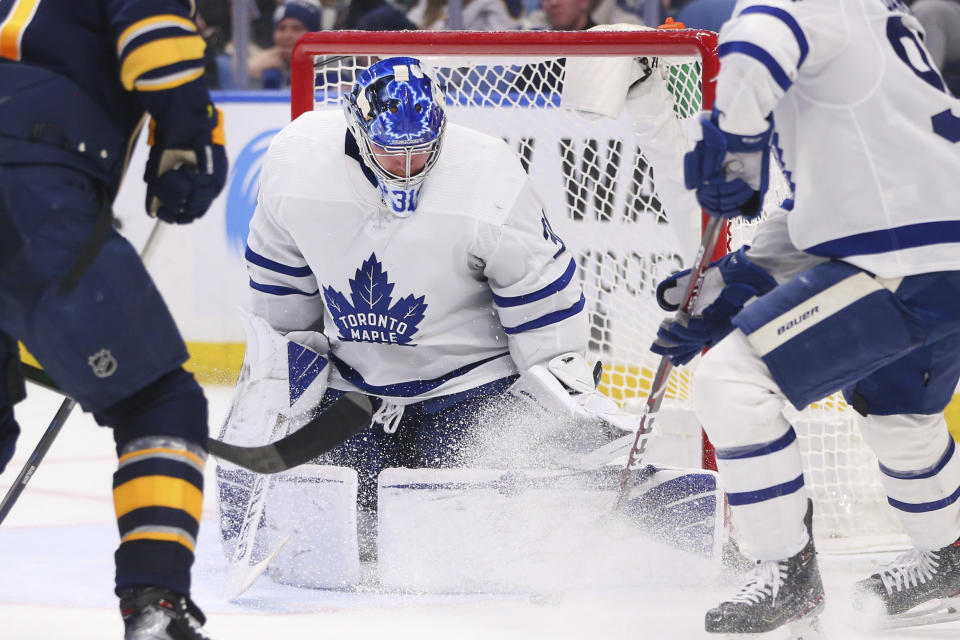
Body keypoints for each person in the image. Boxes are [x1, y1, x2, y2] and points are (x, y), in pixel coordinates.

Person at [214, 56, 729, 582]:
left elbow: (542, 301)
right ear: (357, 130)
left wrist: (564, 407)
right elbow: (283, 300)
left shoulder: (487, 177)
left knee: (466, 527)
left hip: (471, 388)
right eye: (394, 153)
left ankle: (672, 510)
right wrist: (279, 395)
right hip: (356, 389)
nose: (410, 167)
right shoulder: (296, 165)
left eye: (423, 152)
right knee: (327, 510)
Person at [653, 0, 960, 634]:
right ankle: (950, 560)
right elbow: (840, 202)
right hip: (939, 256)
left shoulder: (800, 6)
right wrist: (737, 284)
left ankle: (786, 573)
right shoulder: (871, 24)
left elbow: (760, 37)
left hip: (907, 261)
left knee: (728, 384)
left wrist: (733, 152)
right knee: (901, 414)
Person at [0, 1, 227, 638]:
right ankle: (156, 604)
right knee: (159, 403)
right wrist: (188, 135)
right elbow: (157, 43)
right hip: (27, 179)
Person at [248, 0, 323, 89]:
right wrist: (253, 72)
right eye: (281, 28)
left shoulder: (331, 73)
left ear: (314, 35)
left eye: (297, 29)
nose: (287, 36)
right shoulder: (269, 70)